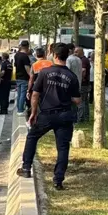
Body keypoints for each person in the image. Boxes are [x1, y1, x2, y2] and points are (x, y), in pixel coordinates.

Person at [17, 43, 81, 190]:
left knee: (32, 137)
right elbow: (77, 100)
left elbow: (35, 94)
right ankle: (58, 180)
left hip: (46, 115)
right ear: (66, 56)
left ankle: (26, 168)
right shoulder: (71, 76)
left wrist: (33, 113)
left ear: (55, 56)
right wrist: (66, 96)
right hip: (65, 116)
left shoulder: (44, 73)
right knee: (63, 148)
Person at [26, 47, 52, 118]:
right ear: (44, 54)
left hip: (38, 88)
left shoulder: (34, 65)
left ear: (36, 55)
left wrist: (28, 90)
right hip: (49, 87)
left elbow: (31, 79)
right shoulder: (50, 63)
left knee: (37, 105)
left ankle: (39, 119)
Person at [15, 40, 32, 116]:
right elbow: (27, 68)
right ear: (27, 47)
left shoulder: (17, 55)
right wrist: (31, 76)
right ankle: (21, 110)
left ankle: (19, 109)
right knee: (23, 94)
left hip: (18, 76)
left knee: (19, 94)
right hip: (24, 77)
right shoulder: (25, 56)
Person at [76, 47, 91, 122]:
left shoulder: (83, 60)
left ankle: (81, 118)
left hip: (83, 84)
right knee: (85, 101)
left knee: (81, 101)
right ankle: (86, 117)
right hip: (85, 83)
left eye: (76, 52)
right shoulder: (83, 60)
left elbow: (83, 71)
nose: (75, 53)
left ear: (81, 52)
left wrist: (80, 79)